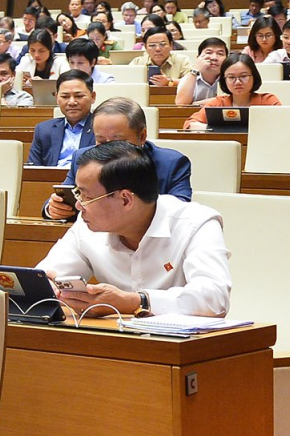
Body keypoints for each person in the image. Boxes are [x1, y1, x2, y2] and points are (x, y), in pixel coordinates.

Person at [35, 142, 231, 317]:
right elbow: (44, 277)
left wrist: (135, 301)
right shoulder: (86, 226)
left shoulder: (196, 223)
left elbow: (214, 297)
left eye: (85, 197)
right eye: (78, 194)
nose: (78, 206)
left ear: (125, 199)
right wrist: (49, 288)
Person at [44, 97, 192, 221]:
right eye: (101, 142)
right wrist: (53, 208)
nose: (109, 150)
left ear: (142, 136)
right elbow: (63, 197)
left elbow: (180, 213)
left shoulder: (172, 163)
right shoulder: (83, 159)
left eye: (118, 141)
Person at [180, 54, 284, 130]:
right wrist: (216, 129)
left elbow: (283, 125)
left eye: (244, 76)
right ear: (224, 80)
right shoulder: (218, 103)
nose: (237, 82)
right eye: (231, 77)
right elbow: (189, 124)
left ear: (254, 77)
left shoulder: (268, 101)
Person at [28, 72, 97, 168]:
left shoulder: (103, 129)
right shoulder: (43, 129)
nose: (72, 102)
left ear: (93, 97)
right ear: (56, 98)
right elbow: (33, 170)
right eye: (65, 97)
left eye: (79, 96)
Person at [174, 37, 230, 106]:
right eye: (209, 52)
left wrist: (196, 104)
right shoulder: (188, 79)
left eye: (220, 54)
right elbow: (181, 104)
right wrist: (195, 70)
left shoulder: (230, 78)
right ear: (198, 58)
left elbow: (230, 100)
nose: (214, 58)